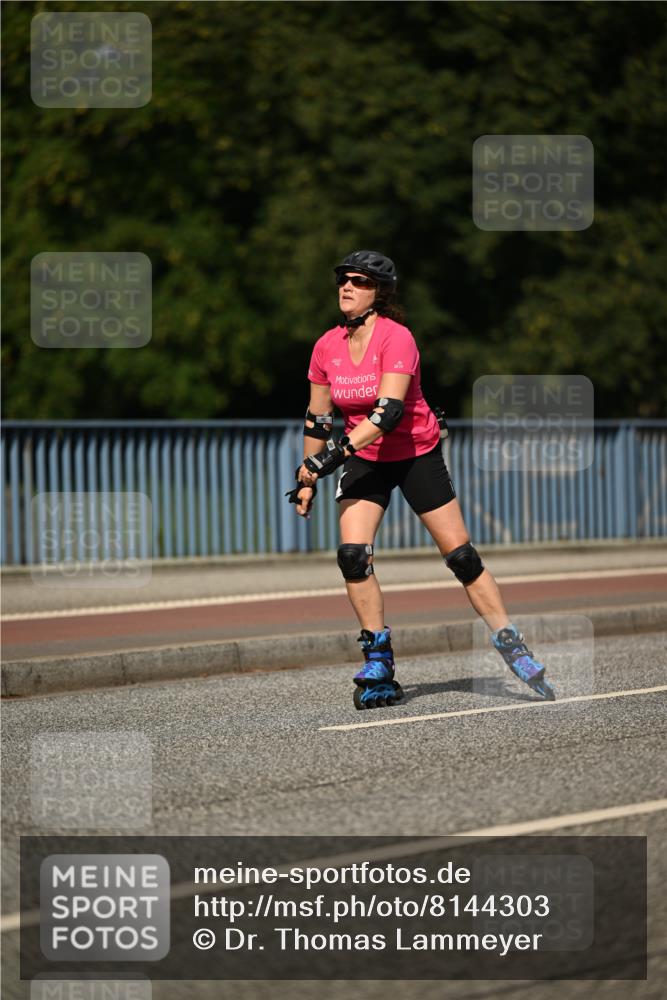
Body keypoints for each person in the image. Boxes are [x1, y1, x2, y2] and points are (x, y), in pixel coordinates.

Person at [286, 250, 555, 710]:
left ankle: (511, 643)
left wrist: (327, 460)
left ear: (380, 293)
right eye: (342, 280)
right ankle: (378, 661)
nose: (346, 287)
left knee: (461, 557)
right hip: (364, 457)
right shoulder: (325, 346)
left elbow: (388, 414)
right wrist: (307, 475)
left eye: (359, 281)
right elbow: (317, 419)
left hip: (414, 452)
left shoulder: (397, 338)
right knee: (352, 556)